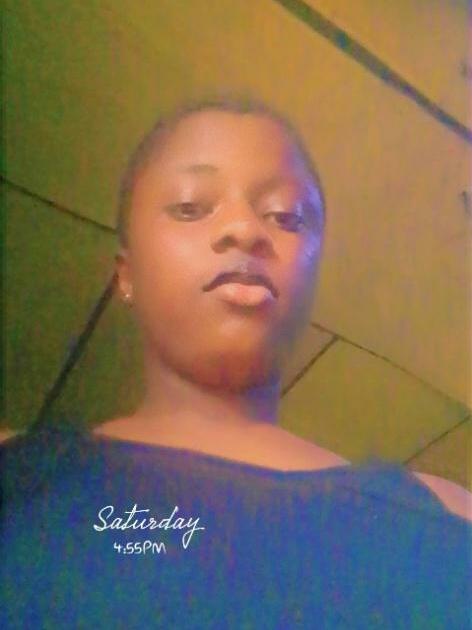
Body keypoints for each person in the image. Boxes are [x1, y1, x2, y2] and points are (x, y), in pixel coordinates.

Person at [1, 97, 471, 628]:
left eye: (286, 216)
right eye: (191, 207)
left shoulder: (451, 515)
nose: (246, 230)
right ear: (125, 274)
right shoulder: (17, 476)